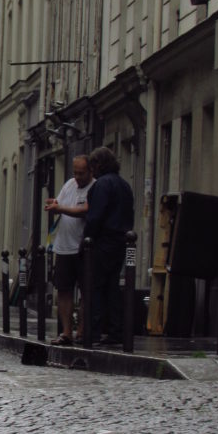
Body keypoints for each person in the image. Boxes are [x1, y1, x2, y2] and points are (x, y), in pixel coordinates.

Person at [82, 146, 134, 345]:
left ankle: (93, 332)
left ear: (98, 165)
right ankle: (116, 330)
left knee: (95, 286)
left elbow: (95, 216)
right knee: (112, 287)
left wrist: (87, 240)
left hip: (104, 241)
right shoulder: (124, 185)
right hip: (121, 241)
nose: (91, 171)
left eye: (92, 166)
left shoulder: (103, 184)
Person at [44, 154, 94, 345]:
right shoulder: (69, 184)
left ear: (91, 171)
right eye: (75, 172)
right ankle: (66, 331)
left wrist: (61, 209)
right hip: (64, 246)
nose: (78, 177)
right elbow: (60, 203)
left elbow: (86, 211)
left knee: (85, 291)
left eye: (81, 173)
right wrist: (54, 204)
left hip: (83, 248)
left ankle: (81, 330)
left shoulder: (95, 187)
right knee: (64, 290)